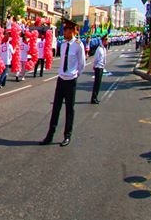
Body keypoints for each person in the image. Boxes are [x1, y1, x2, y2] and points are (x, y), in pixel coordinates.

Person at [41, 19, 85, 147]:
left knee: (69, 109)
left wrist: (75, 74)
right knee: (56, 108)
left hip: (71, 80)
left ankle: (67, 135)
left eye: (65, 30)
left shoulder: (78, 45)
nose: (63, 32)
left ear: (71, 30)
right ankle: (50, 135)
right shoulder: (64, 44)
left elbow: (82, 63)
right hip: (61, 79)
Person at [90, 35, 108, 104]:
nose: (107, 41)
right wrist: (94, 66)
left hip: (101, 67)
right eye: (106, 40)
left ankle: (95, 97)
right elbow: (95, 59)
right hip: (98, 68)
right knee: (96, 84)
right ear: (103, 40)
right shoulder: (99, 49)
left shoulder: (103, 48)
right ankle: (93, 98)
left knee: (98, 84)